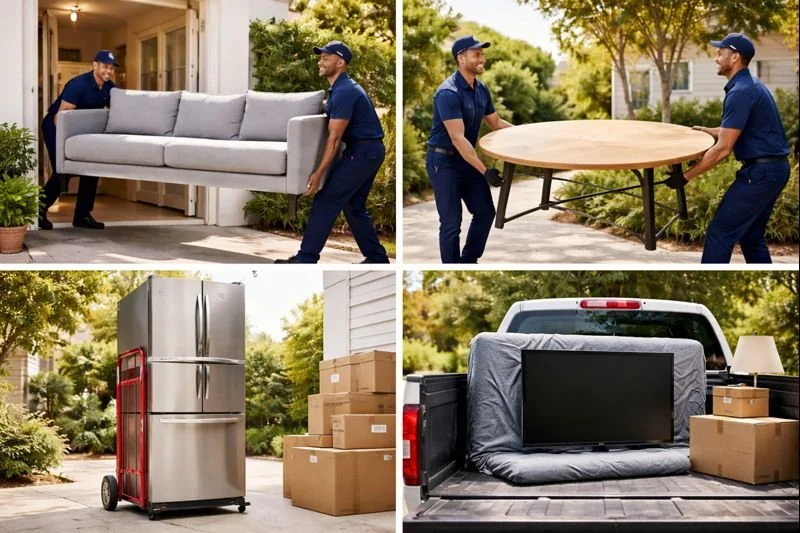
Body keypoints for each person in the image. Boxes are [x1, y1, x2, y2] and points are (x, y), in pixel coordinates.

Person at [666, 33, 790, 263]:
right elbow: (734, 132)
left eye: (720, 52)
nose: (716, 57)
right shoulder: (749, 86)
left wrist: (685, 177)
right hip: (772, 170)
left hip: (761, 174)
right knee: (751, 236)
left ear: (734, 57)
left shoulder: (740, 93)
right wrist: (707, 131)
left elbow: (723, 149)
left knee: (719, 233)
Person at [275, 41, 389, 264]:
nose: (321, 61)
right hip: (369, 151)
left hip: (363, 153)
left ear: (340, 62)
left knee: (326, 200)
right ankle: (377, 257)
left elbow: (334, 138)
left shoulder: (345, 92)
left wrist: (318, 173)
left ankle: (306, 258)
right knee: (354, 206)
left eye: (326, 58)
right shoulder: (341, 89)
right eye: (321, 57)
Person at [426, 35, 513, 264]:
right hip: (442, 161)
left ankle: (468, 261)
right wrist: (485, 171)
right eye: (476, 54)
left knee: (485, 212)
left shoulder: (481, 89)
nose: (481, 58)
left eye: (482, 54)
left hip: (466, 160)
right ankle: (451, 266)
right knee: (451, 222)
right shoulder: (448, 92)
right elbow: (458, 138)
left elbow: (495, 123)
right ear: (461, 57)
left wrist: (524, 133)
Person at [39, 50, 118, 230]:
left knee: (91, 168)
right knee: (63, 170)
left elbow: (120, 107)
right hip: (56, 127)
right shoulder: (78, 85)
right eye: (105, 66)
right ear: (95, 65)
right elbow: (61, 116)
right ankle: (38, 210)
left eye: (111, 68)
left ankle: (82, 215)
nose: (108, 71)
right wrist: (65, 145)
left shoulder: (109, 87)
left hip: (82, 131)